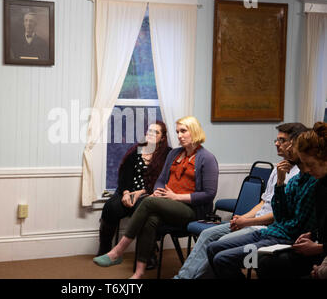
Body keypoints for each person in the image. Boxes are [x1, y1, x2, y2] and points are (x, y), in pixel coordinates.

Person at [174, 123, 305, 279]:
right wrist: (243, 217)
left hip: (265, 227)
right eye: (276, 140)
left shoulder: (299, 174)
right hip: (255, 222)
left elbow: (279, 215)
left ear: (294, 143)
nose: (276, 144)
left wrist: (247, 222)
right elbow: (264, 203)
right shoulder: (278, 168)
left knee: (220, 244)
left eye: (282, 140)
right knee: (207, 234)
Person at [94, 116, 219, 279]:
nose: (180, 135)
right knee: (150, 219)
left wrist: (176, 197)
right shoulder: (174, 154)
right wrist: (159, 190)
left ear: (194, 131)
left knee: (148, 201)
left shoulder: (207, 158)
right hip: (168, 203)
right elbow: (160, 180)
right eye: (178, 132)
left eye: (183, 131)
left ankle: (118, 251)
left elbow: (209, 194)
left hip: (192, 211)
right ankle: (138, 273)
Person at [206, 131, 318, 279]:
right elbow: (280, 214)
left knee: (223, 259)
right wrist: (280, 183)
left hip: (281, 240)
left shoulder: (313, 183)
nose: (288, 149)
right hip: (268, 233)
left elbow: (295, 226)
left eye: (293, 146)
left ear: (304, 153)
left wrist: (277, 223)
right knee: (213, 248)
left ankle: (252, 262)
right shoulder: (295, 180)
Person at [257, 121, 327, 279]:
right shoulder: (317, 184)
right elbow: (281, 215)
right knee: (261, 261)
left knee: (262, 262)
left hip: (298, 240)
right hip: (281, 233)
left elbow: (293, 223)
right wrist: (312, 234)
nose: (308, 169)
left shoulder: (315, 184)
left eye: (311, 165)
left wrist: (319, 248)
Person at [97, 121, 171, 256]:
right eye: (149, 131)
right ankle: (105, 249)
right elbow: (125, 175)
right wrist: (126, 193)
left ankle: (148, 253)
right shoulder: (136, 150)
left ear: (163, 137)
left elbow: (164, 180)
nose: (151, 134)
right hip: (128, 191)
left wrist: (142, 192)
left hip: (150, 194)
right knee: (110, 207)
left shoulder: (167, 154)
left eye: (156, 132)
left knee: (145, 212)